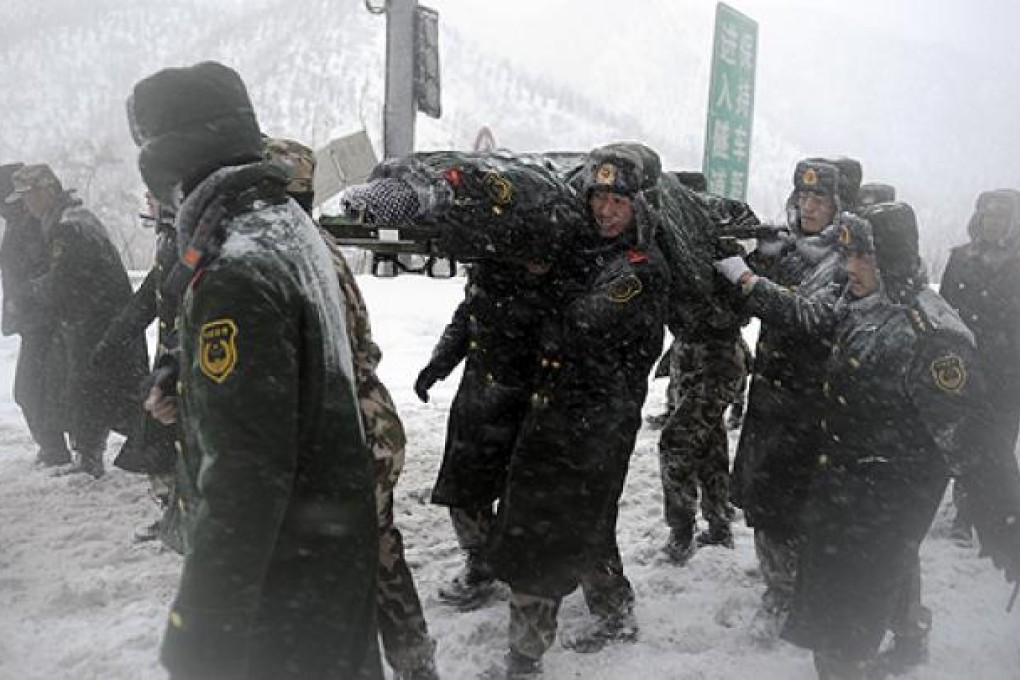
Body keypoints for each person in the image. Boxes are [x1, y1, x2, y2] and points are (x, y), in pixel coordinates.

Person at [127, 61, 382, 679]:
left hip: (285, 581)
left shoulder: (235, 266)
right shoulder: (281, 223)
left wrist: (201, 627)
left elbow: (246, 472)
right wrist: (186, 379)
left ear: (171, 162)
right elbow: (287, 368)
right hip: (328, 552)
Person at [715, 213, 1020, 678]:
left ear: (892, 259)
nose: (849, 267)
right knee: (844, 617)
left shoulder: (931, 336)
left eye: (864, 257)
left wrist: (1007, 528)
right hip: (843, 493)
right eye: (847, 254)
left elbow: (974, 445)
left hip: (884, 505)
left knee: (842, 632)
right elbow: (807, 317)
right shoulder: (860, 302)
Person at [487, 144, 668, 676]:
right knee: (587, 520)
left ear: (640, 207)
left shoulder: (639, 271)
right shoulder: (584, 253)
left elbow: (581, 323)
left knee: (543, 532)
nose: (605, 211)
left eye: (618, 201)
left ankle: (525, 655)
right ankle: (614, 607)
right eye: (598, 198)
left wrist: (539, 282)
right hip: (559, 413)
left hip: (597, 422)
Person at [266, 136, 439, 680]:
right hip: (370, 422)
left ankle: (400, 664)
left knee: (351, 561)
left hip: (351, 430)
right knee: (379, 549)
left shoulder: (295, 255)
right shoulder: (310, 243)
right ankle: (416, 663)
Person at [728, 158, 852, 640]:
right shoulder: (787, 248)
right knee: (765, 500)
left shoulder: (843, 259)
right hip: (771, 398)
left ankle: (803, 590)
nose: (809, 206)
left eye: (819, 198)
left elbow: (810, 316)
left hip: (811, 403)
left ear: (837, 205)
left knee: (802, 502)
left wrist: (748, 279)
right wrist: (753, 257)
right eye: (802, 197)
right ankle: (779, 588)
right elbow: (744, 301)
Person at [415, 257, 554, 610]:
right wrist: (438, 363)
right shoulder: (488, 267)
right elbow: (467, 316)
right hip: (479, 395)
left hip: (531, 397)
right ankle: (481, 562)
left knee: (527, 492)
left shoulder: (557, 273)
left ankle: (536, 568)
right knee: (463, 486)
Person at [4, 163, 148, 477]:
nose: (26, 204)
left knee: (98, 391)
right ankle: (96, 455)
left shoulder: (68, 227)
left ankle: (135, 453)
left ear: (47, 190)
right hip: (96, 321)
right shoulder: (69, 219)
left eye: (29, 195)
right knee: (98, 391)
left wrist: (27, 292)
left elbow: (62, 282)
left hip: (94, 322)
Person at [90, 193, 181, 546]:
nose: (148, 199)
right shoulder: (171, 239)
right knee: (159, 445)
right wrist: (109, 344)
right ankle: (175, 515)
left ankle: (185, 520)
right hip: (171, 364)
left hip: (188, 363)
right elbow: (145, 301)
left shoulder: (190, 240)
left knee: (173, 446)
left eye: (153, 193)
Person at [939, 189, 1020, 544]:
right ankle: (965, 512)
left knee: (999, 444)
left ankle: (998, 514)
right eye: (988, 215)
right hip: (966, 367)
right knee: (965, 440)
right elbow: (943, 312)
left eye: (1002, 216)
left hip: (1009, 372)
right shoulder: (960, 259)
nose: (993, 222)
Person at [0, 162, 71, 466]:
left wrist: (24, 296)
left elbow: (46, 270)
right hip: (34, 320)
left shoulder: (33, 224)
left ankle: (56, 449)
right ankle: (54, 448)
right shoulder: (20, 222)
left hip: (44, 320)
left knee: (32, 389)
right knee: (40, 389)